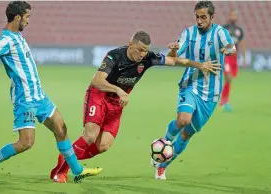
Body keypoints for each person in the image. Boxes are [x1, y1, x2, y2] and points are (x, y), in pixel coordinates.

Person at [49, 30, 221, 183]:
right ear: (130, 44)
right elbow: (97, 80)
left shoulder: (147, 59)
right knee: (90, 136)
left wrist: (200, 65)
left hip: (117, 104)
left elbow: (174, 60)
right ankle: (61, 173)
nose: (142, 54)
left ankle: (67, 157)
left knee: (103, 146)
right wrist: (118, 90)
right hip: (99, 96)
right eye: (139, 50)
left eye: (145, 50)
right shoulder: (114, 56)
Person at [0, 1, 101, 186]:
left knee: (61, 128)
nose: (29, 22)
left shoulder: (18, 35)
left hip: (39, 96)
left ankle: (77, 171)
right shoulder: (5, 39)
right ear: (17, 17)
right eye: (27, 17)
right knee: (25, 143)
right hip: (25, 100)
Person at [153, 1, 236, 180]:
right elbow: (174, 58)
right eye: (197, 17)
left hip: (211, 94)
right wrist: (174, 50)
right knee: (183, 120)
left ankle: (162, 164)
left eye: (203, 17)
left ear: (212, 17)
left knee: (187, 133)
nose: (199, 21)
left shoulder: (220, 33)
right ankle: (163, 143)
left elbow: (231, 47)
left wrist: (227, 50)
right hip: (190, 84)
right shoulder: (188, 33)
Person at [220, 9, 246, 111]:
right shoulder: (223, 29)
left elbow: (242, 43)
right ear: (229, 16)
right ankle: (225, 100)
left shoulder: (239, 30)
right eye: (232, 15)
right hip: (225, 56)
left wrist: (244, 57)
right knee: (229, 77)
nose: (233, 17)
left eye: (235, 15)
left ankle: (224, 99)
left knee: (229, 79)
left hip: (234, 58)